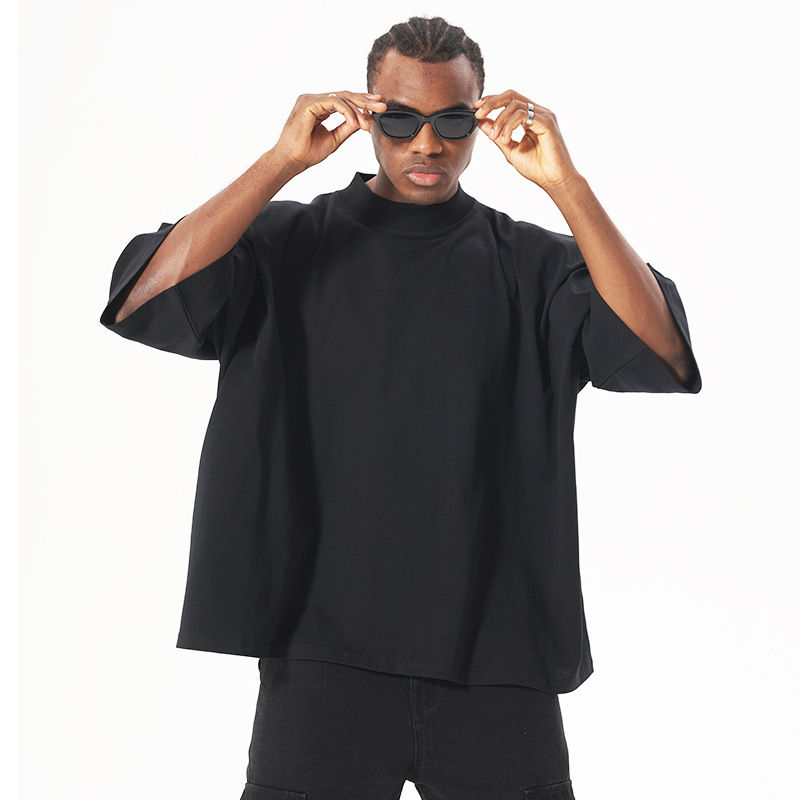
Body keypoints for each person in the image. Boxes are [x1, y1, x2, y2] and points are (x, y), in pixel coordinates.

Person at [99, 15, 701, 800]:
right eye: (400, 119)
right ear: (366, 113)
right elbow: (143, 298)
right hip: (321, 655)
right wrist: (281, 161)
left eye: (452, 121)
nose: (426, 144)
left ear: (480, 121)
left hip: (498, 658)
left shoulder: (533, 266)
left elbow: (662, 349)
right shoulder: (285, 244)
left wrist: (567, 187)